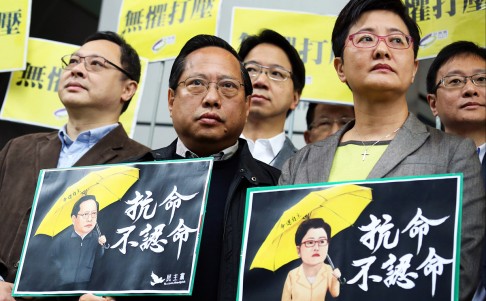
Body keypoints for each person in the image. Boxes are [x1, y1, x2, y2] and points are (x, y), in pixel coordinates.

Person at [278, 0, 485, 300]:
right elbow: (287, 263)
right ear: (340, 67)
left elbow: (460, 273)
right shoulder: (300, 163)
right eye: (365, 38)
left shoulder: (453, 155)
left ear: (413, 68)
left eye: (397, 40)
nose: (382, 50)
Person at [81, 34, 280, 301]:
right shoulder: (127, 181)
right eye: (196, 83)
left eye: (228, 86)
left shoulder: (275, 188)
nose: (212, 98)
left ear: (246, 106)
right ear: (171, 100)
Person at [0, 31, 150, 300]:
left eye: (96, 64)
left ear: (128, 89)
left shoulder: (145, 164)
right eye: (73, 62)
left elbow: (142, 265)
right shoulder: (17, 149)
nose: (78, 70)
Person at [425, 41, 486, 301]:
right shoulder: (416, 169)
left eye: (482, 79)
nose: (471, 89)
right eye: (455, 81)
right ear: (433, 104)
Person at [237, 29, 306, 169]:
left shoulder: (306, 169)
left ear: (295, 97)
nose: (260, 81)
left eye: (276, 73)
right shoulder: (206, 154)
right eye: (251, 70)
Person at [50, 195, 106, 290]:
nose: (90, 219)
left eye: (94, 214)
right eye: (85, 214)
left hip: (87, 286)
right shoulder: (62, 239)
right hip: (62, 286)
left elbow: (100, 260)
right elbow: (53, 260)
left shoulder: (97, 237)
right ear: (74, 218)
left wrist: (102, 245)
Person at [281, 218, 341, 301]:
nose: (316, 248)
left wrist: (336, 278)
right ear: (299, 250)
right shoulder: (292, 275)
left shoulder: (328, 270)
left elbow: (335, 293)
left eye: (322, 241)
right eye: (310, 242)